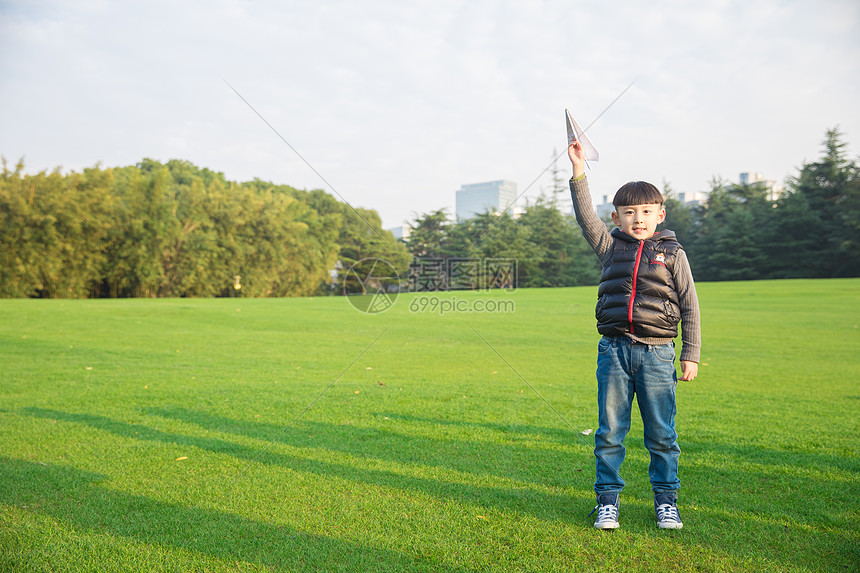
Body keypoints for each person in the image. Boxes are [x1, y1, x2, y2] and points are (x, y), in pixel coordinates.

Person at [568, 139, 701, 530]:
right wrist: (578, 169)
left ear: (660, 214)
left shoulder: (673, 254)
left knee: (662, 434)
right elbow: (584, 218)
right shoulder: (610, 248)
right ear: (616, 216)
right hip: (613, 352)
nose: (637, 218)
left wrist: (690, 353)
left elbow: (690, 305)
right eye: (629, 212)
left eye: (645, 211)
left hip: (658, 355)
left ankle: (666, 502)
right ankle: (607, 501)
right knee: (610, 431)